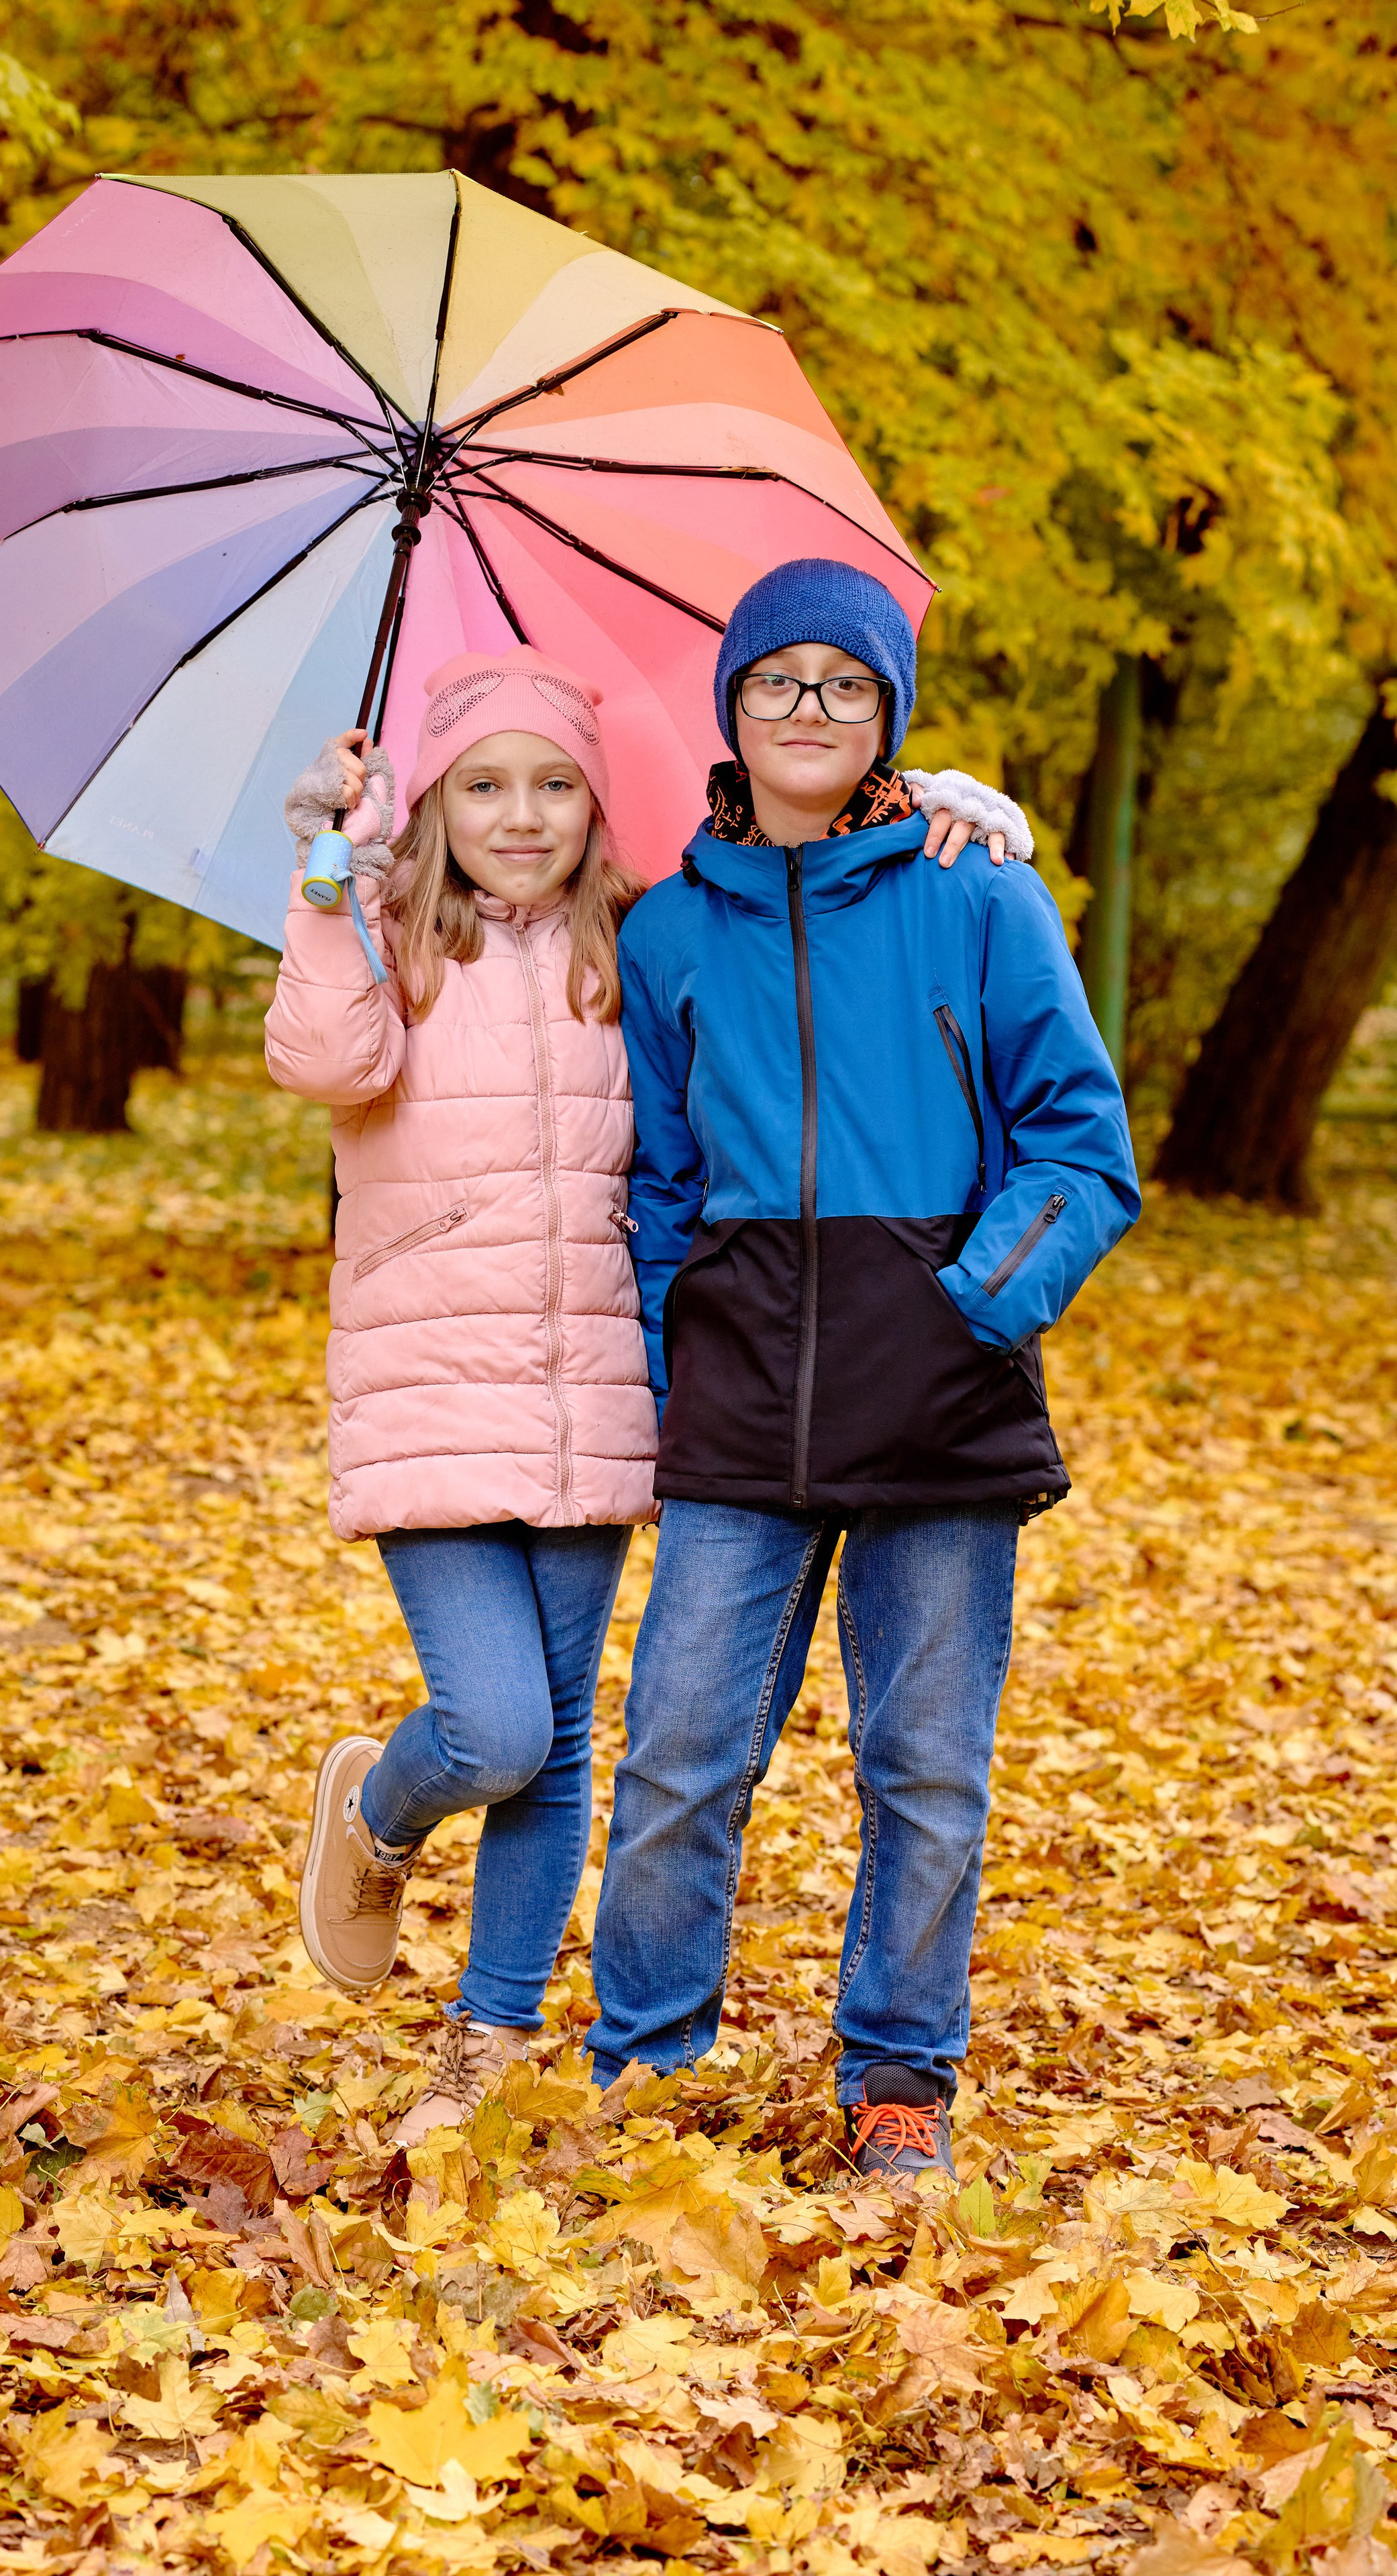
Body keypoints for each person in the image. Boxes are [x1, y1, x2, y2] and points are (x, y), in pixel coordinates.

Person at [266, 638, 1031, 2149]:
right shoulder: (391, 936)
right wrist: (324, 866)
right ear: (432, 807)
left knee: (556, 1746)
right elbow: (321, 1058)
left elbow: (785, 914)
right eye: (483, 785)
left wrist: (944, 803)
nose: (522, 813)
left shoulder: (645, 938)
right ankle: (377, 1812)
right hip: (436, 1392)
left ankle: (487, 2037)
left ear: (597, 807)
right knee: (493, 1733)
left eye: (555, 784)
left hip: (605, 1398)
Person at [584, 559, 1141, 2180]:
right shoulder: (675, 926)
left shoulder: (978, 896)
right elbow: (662, 1186)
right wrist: (667, 1353)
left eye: (843, 683)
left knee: (924, 1772)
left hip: (943, 1403)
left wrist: (971, 1303)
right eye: (775, 683)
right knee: (680, 1752)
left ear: (887, 712)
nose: (806, 711)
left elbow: (1080, 1147)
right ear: (730, 713)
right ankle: (646, 2065)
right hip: (741, 1403)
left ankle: (900, 2078)